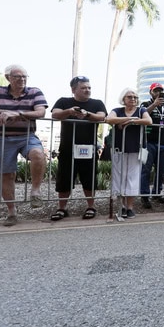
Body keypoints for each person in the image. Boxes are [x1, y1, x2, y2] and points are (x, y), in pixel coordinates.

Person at [0, 65, 48, 226]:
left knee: (38, 155)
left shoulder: (34, 92)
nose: (22, 79)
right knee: (7, 175)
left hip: (27, 136)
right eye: (18, 76)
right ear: (8, 78)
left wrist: (17, 113)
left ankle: (35, 191)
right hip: (1, 137)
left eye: (25, 76)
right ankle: (11, 212)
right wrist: (2, 112)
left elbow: (41, 112)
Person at [51, 75, 107, 221]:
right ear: (73, 90)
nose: (87, 90)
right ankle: (62, 208)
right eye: (83, 88)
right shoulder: (64, 101)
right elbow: (55, 114)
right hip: (67, 148)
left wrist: (87, 114)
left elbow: (102, 117)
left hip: (89, 148)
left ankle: (91, 206)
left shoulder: (97, 103)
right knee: (64, 179)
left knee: (89, 178)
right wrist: (69, 112)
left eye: (89, 87)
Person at [105, 88, 152, 219]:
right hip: (119, 148)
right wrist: (127, 118)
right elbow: (109, 119)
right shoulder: (117, 110)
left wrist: (131, 121)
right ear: (123, 99)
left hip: (135, 148)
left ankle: (130, 207)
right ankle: (121, 206)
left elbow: (148, 121)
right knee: (119, 177)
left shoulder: (141, 110)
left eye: (135, 97)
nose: (133, 99)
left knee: (132, 177)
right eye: (130, 97)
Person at [139, 82, 164, 209]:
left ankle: (157, 193)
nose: (158, 93)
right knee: (146, 169)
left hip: (163, 143)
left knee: (161, 170)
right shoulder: (145, 104)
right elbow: (142, 114)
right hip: (149, 142)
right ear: (151, 92)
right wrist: (154, 104)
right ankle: (145, 196)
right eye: (155, 91)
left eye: (160, 91)